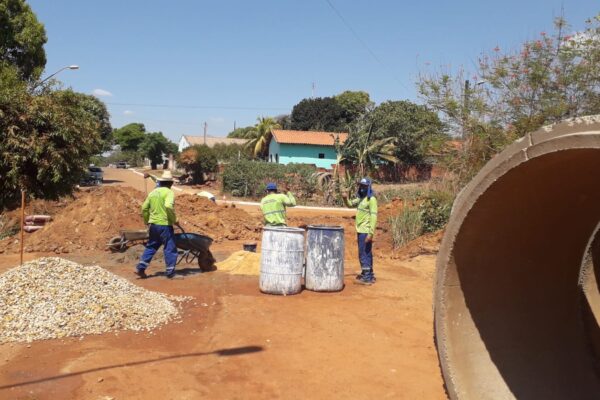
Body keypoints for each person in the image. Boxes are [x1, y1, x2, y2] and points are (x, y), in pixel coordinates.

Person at [135, 170, 180, 279]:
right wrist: (175, 219)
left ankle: (140, 268)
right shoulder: (169, 192)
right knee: (170, 248)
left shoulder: (153, 192)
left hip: (153, 225)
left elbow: (144, 208)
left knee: (152, 246)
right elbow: (169, 206)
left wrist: (146, 221)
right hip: (164, 225)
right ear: (171, 183)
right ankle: (170, 273)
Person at [342, 178, 378, 285]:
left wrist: (371, 233)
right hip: (360, 229)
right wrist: (345, 198)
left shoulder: (371, 199)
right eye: (361, 186)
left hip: (365, 230)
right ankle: (368, 273)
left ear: (368, 187)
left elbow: (374, 217)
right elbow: (349, 204)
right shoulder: (361, 199)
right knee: (366, 252)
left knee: (364, 253)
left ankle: (367, 277)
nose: (361, 188)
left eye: (364, 186)